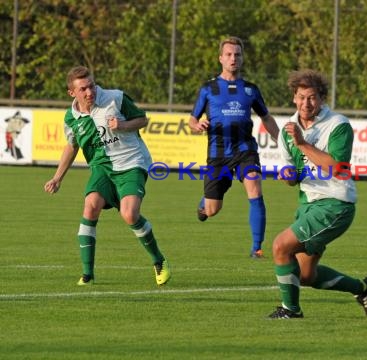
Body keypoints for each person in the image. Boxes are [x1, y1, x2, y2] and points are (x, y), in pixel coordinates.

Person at [44, 66, 171, 286]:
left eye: (91, 85)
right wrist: (57, 177)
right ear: (72, 93)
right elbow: (72, 146)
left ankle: (159, 261)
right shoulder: (71, 117)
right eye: (83, 89)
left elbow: (142, 120)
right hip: (101, 167)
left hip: (131, 163)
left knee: (129, 214)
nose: (89, 92)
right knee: (90, 205)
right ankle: (87, 274)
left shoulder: (115, 98)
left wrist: (122, 126)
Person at [268, 69, 367, 319]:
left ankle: (290, 311)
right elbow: (292, 172)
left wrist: (303, 143)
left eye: (312, 97)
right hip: (309, 204)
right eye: (301, 97)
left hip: (336, 204)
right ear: (294, 97)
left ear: (322, 98)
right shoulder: (287, 131)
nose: (306, 103)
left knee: (280, 246)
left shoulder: (338, 125)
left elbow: (338, 169)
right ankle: (363, 289)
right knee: (306, 275)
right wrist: (288, 176)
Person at [188, 36, 279, 258]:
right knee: (212, 209)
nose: (233, 58)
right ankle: (205, 203)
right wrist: (198, 125)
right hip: (218, 155)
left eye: (237, 54)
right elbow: (191, 120)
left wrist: (284, 144)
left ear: (242, 58)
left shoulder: (250, 89)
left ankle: (256, 248)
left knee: (255, 187)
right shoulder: (208, 89)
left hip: (245, 150)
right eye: (228, 54)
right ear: (221, 58)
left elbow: (266, 118)